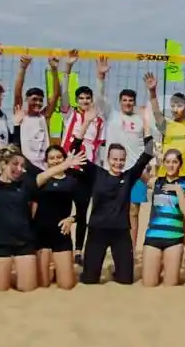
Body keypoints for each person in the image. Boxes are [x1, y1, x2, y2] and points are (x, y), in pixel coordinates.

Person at [0, 105, 85, 292]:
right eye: (14, 165)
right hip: (0, 243)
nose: (19, 169)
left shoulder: (26, 183)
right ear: (3, 164)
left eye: (22, 165)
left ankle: (35, 269)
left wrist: (66, 164)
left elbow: (46, 174)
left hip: (25, 243)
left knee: (29, 287)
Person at [80, 106, 157, 286]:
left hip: (120, 231)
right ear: (108, 158)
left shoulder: (128, 176)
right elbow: (75, 148)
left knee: (125, 280)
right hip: (97, 230)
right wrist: (86, 123)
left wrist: (146, 123)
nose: (118, 163)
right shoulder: (96, 173)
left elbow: (148, 152)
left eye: (121, 159)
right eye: (115, 159)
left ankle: (117, 270)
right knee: (90, 280)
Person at [94, 55, 152, 246]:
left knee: (133, 212)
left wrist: (148, 167)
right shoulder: (112, 115)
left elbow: (148, 144)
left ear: (134, 102)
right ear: (120, 101)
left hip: (133, 173)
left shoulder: (140, 119)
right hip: (113, 171)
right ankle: (107, 246)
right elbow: (99, 99)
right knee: (108, 209)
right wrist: (100, 77)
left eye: (130, 101)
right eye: (125, 100)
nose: (128, 103)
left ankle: (131, 250)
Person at [146, 70, 185, 265]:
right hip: (164, 175)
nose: (176, 108)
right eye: (173, 105)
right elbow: (154, 112)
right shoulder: (166, 125)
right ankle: (161, 254)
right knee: (161, 215)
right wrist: (152, 92)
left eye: (179, 105)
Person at [58, 50, 105, 260]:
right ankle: (60, 246)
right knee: (62, 208)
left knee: (83, 211)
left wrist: (100, 77)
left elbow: (99, 148)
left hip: (87, 169)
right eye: (82, 98)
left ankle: (78, 250)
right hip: (68, 165)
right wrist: (67, 68)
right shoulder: (71, 113)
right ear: (77, 100)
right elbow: (64, 92)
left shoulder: (98, 120)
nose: (85, 101)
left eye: (88, 98)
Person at [141, 149, 185, 288]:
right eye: (168, 162)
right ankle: (158, 265)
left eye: (175, 162)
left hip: (174, 239)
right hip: (153, 237)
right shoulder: (156, 182)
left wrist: (178, 190)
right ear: (164, 163)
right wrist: (151, 154)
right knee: (149, 284)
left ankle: (167, 263)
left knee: (170, 286)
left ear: (180, 164)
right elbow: (138, 170)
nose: (171, 165)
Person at [32, 145, 82, 290]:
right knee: (43, 284)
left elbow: (82, 211)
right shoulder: (41, 179)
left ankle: (58, 268)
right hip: (41, 235)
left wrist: (71, 219)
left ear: (65, 159)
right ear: (46, 161)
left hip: (61, 234)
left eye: (59, 157)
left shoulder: (72, 181)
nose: (55, 160)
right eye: (51, 158)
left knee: (66, 285)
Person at [12, 53, 62, 171]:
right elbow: (17, 93)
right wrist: (23, 68)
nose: (38, 103)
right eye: (34, 99)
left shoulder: (44, 116)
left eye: (40, 100)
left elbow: (56, 95)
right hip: (24, 168)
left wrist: (54, 69)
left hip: (43, 168)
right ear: (26, 99)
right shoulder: (21, 114)